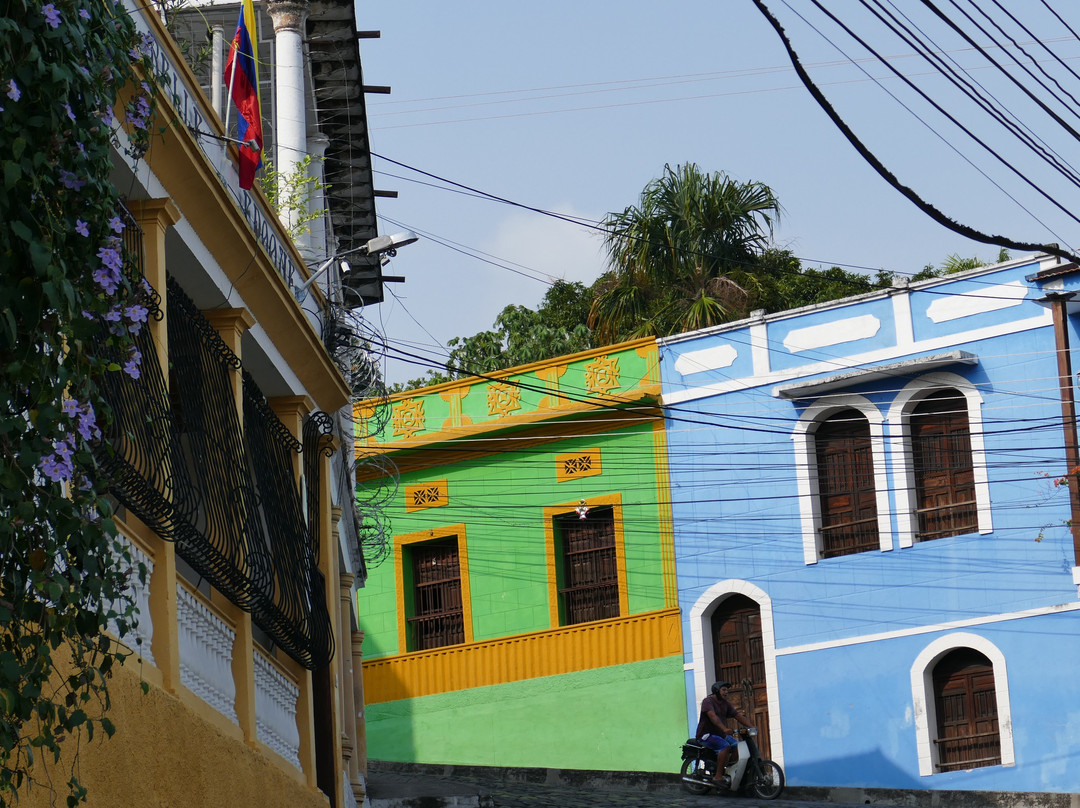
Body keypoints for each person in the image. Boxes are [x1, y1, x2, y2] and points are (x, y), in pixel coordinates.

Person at [696, 681, 756, 786]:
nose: (726, 692)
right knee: (725, 746)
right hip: (706, 735)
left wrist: (751, 726)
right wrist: (724, 729)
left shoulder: (725, 704)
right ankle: (718, 776)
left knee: (739, 746)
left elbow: (737, 716)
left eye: (727, 690)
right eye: (723, 690)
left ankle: (726, 769)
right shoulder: (708, 701)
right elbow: (713, 717)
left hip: (720, 735)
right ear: (716, 691)